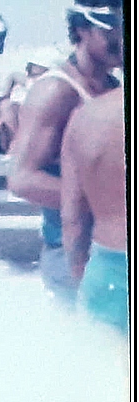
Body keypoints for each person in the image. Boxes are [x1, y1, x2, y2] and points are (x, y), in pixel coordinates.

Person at [9, 0, 124, 303]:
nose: (124, 36)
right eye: (113, 26)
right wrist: (99, 200)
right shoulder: (57, 91)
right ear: (80, 29)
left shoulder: (113, 89)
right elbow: (22, 178)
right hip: (73, 252)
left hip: (110, 247)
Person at [61, 87, 128, 333]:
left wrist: (82, 276)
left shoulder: (86, 117)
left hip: (107, 269)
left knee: (104, 368)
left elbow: (72, 217)